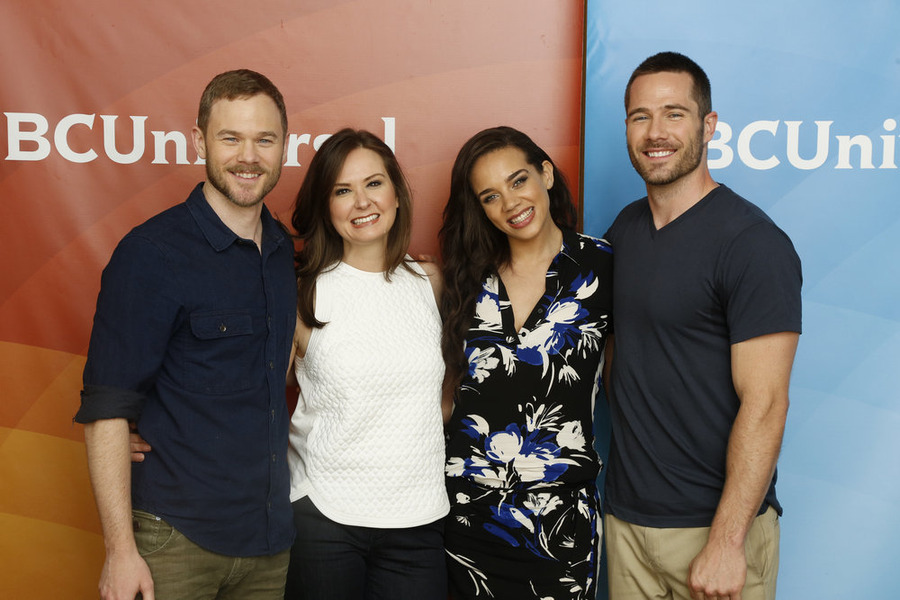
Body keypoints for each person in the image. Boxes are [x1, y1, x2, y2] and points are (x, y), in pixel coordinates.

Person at [75, 69, 296, 600]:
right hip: (173, 541)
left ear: (284, 147)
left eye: (264, 139)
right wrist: (120, 552)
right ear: (199, 141)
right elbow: (107, 406)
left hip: (270, 543)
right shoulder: (150, 254)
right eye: (231, 138)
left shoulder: (285, 251)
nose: (249, 156)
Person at [602, 51, 802, 600]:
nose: (655, 132)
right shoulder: (624, 229)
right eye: (640, 116)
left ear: (708, 125)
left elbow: (766, 404)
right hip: (627, 524)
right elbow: (617, 355)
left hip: (711, 531)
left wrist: (727, 543)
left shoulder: (753, 245)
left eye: (674, 113)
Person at [440, 126, 613, 599]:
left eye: (518, 181)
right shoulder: (463, 280)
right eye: (490, 196)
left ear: (547, 175)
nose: (511, 203)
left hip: (560, 528)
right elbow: (445, 394)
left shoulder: (603, 267)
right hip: (464, 520)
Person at [284, 128, 449, 600]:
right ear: (325, 205)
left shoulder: (430, 282)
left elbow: (444, 397)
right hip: (325, 517)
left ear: (396, 192)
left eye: (373, 183)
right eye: (342, 190)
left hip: (418, 520)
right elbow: (258, 399)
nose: (361, 202)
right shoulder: (301, 292)